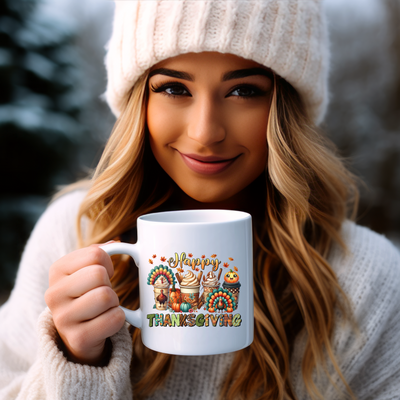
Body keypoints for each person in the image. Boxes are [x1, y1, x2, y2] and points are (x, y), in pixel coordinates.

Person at [1, 0, 399, 399]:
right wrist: (76, 363)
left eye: (244, 91)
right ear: (141, 102)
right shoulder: (74, 232)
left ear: (286, 109)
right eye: (174, 88)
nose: (205, 132)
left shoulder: (368, 280)